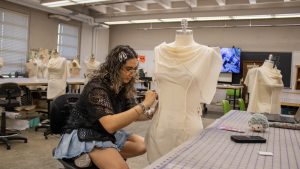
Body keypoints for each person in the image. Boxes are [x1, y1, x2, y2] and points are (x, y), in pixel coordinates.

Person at [54, 45, 158, 169]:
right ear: (115, 67)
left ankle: (103, 157)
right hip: (85, 133)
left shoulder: (123, 85)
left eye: (134, 69)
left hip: (103, 132)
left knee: (143, 145)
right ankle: (82, 154)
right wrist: (145, 104)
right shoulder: (97, 87)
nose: (132, 73)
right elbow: (110, 125)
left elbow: (133, 112)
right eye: (128, 69)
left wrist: (154, 111)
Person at [145, 26, 222, 163]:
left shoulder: (207, 53)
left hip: (189, 128)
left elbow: (205, 94)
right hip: (159, 128)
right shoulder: (159, 50)